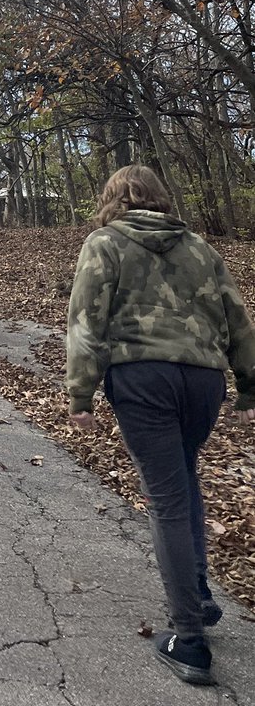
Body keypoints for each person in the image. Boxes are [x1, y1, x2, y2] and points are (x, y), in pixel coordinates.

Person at [65, 165, 255, 687]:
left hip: (143, 376)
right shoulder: (199, 247)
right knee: (183, 479)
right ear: (161, 197)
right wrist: (248, 384)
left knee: (166, 496)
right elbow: (236, 316)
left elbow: (86, 319)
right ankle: (199, 592)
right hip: (202, 379)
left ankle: (188, 638)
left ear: (111, 198)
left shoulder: (104, 242)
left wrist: (81, 393)